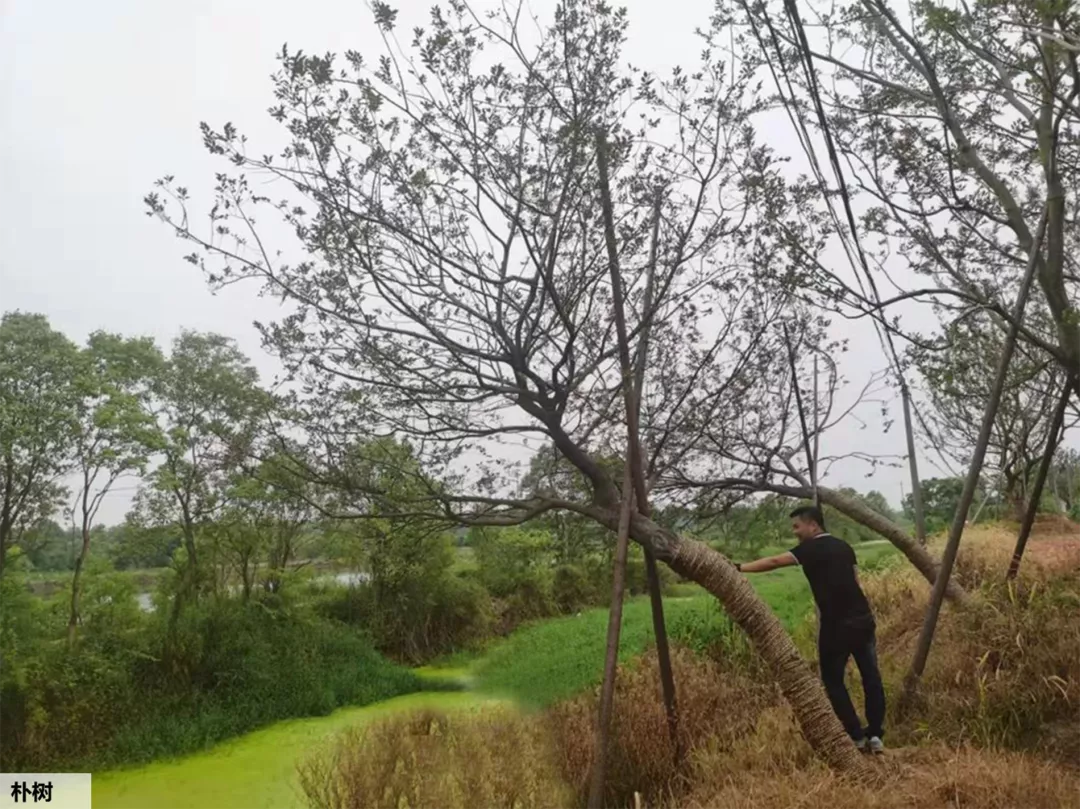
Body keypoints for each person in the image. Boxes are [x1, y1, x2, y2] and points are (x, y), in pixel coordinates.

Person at [734, 504, 886, 754]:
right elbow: (856, 581)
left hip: (836, 626)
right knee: (871, 677)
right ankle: (876, 736)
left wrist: (740, 568)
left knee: (833, 680)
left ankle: (856, 736)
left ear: (813, 525)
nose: (795, 532)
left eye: (797, 526)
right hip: (863, 620)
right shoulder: (845, 547)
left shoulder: (810, 548)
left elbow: (774, 561)